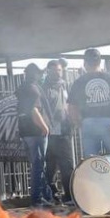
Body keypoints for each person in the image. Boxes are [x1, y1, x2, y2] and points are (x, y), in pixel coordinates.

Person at [68, 49, 110, 159]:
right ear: (100, 62)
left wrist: (78, 123)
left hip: (88, 122)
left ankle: (94, 176)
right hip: (109, 122)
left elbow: (71, 107)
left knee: (91, 160)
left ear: (85, 63)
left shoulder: (79, 82)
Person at [16, 63, 53, 207]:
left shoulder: (23, 88)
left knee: (37, 164)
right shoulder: (32, 90)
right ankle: (37, 199)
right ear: (35, 74)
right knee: (38, 165)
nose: (42, 75)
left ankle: (46, 196)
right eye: (40, 73)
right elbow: (34, 110)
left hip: (27, 131)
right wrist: (44, 126)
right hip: (35, 131)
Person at [42, 60, 75, 204]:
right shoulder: (44, 88)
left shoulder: (65, 86)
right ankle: (51, 195)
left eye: (60, 70)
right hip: (50, 133)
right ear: (48, 71)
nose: (58, 73)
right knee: (50, 168)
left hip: (64, 132)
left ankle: (68, 196)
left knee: (67, 166)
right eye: (55, 70)